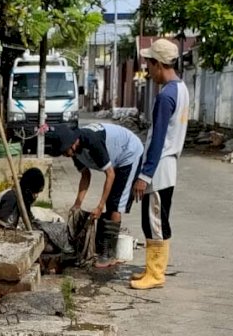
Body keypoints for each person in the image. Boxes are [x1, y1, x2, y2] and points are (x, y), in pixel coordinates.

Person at [130, 39, 189, 290]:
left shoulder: (165, 96)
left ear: (158, 64)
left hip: (159, 167)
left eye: (149, 65)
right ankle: (153, 270)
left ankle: (155, 274)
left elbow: (158, 139)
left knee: (153, 221)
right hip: (168, 165)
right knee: (158, 218)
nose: (148, 71)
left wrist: (145, 174)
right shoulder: (181, 89)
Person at [48, 123, 143, 268]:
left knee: (115, 205)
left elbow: (110, 174)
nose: (65, 155)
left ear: (72, 143)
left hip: (129, 153)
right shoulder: (75, 151)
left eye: (64, 151)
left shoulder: (92, 143)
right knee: (110, 204)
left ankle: (109, 254)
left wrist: (99, 206)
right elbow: (85, 175)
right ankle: (101, 248)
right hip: (116, 158)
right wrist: (77, 204)